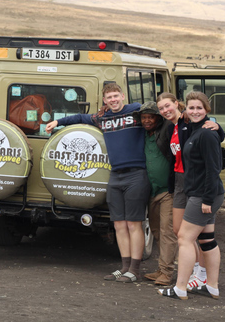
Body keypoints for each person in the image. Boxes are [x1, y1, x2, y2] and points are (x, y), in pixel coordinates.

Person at [45, 83, 149, 282]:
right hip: (116, 175)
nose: (113, 100)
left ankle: (135, 270)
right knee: (119, 224)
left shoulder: (136, 110)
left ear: (123, 95)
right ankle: (124, 266)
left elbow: (161, 111)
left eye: (116, 96)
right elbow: (80, 118)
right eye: (109, 97)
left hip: (137, 174)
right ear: (104, 100)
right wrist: (57, 121)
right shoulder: (102, 117)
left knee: (134, 224)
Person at [159, 92, 224, 300]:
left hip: (203, 194)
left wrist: (207, 199)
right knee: (206, 239)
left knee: (184, 238)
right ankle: (211, 286)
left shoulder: (206, 132)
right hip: (199, 191)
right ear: (185, 109)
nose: (195, 111)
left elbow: (215, 168)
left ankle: (180, 288)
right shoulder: (195, 129)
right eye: (192, 108)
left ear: (207, 110)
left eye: (199, 108)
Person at [139, 102, 177, 286]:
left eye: (150, 117)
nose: (147, 120)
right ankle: (161, 269)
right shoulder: (143, 135)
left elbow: (178, 118)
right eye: (144, 117)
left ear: (158, 118)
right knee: (155, 230)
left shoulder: (167, 130)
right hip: (151, 191)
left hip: (167, 191)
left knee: (167, 232)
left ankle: (167, 273)